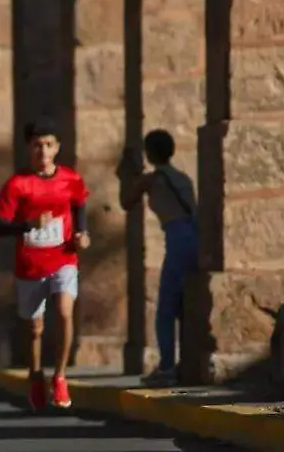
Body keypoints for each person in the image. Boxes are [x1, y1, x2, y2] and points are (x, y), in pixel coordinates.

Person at [0, 120, 90, 411]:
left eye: (49, 145)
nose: (43, 151)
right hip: (30, 265)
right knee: (35, 328)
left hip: (63, 258)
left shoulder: (71, 179)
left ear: (58, 148)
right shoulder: (17, 184)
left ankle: (60, 376)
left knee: (64, 311)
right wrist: (28, 225)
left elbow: (79, 205)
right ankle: (35, 376)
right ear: (28, 148)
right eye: (37, 145)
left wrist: (82, 234)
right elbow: (0, 226)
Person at [117, 129, 198, 386]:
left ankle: (166, 366)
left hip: (177, 238)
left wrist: (125, 175)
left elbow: (126, 201)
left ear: (150, 153)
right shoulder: (182, 177)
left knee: (166, 307)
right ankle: (188, 360)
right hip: (195, 236)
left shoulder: (152, 180)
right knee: (186, 304)